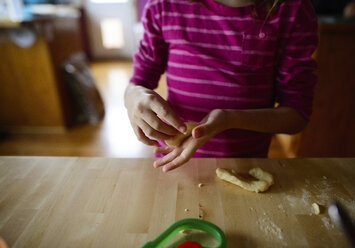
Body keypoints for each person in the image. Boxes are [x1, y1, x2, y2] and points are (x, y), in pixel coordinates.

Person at [125, 0, 318, 172]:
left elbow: (296, 116)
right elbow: (138, 82)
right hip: (174, 164)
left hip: (245, 168)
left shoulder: (294, 11)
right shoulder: (163, 6)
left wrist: (230, 119)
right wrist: (132, 96)